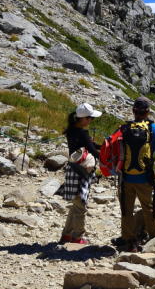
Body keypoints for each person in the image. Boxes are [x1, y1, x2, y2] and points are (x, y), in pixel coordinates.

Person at [118, 96, 155, 252]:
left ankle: (129, 241)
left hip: (125, 177)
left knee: (127, 209)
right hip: (145, 176)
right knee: (149, 207)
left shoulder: (124, 128)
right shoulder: (153, 129)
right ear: (148, 112)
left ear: (133, 111)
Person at [57, 102, 103, 244]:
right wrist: (107, 154)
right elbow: (93, 151)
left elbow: (89, 145)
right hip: (82, 171)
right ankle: (77, 237)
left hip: (72, 168)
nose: (91, 121)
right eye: (90, 118)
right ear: (84, 119)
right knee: (81, 205)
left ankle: (67, 234)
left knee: (76, 204)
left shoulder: (71, 131)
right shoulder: (82, 133)